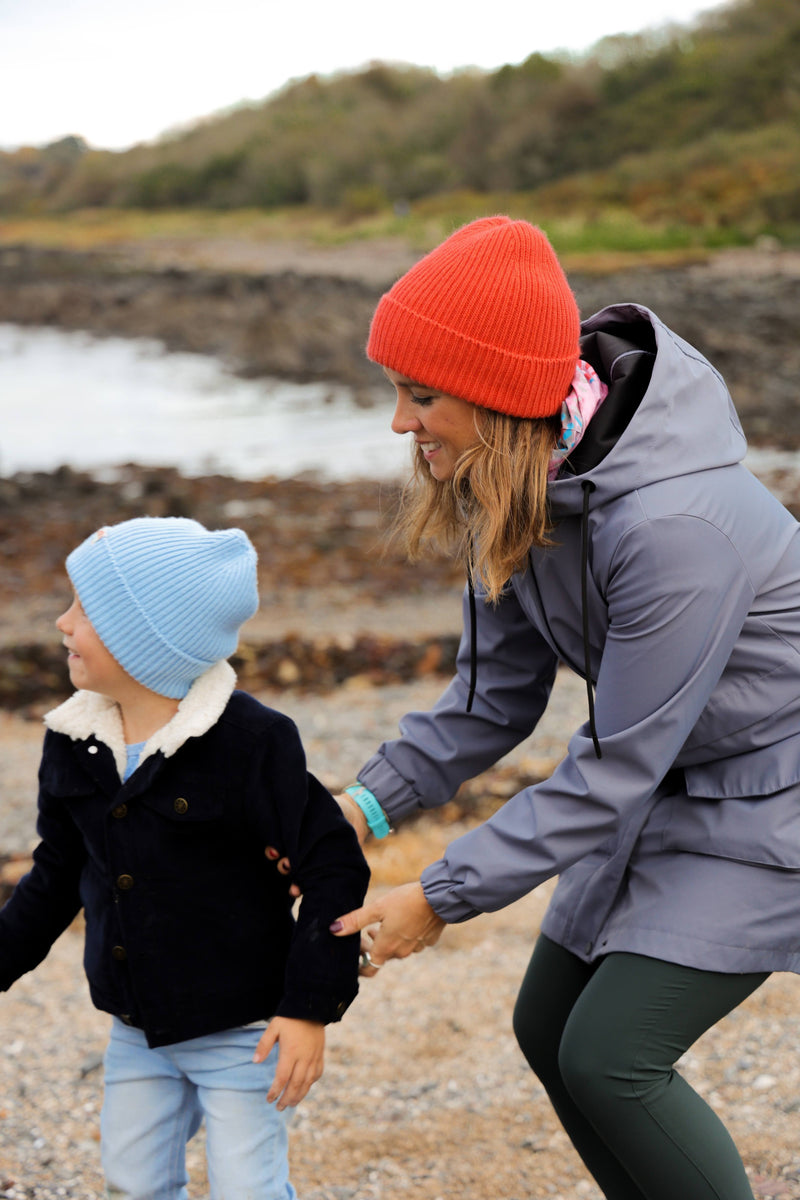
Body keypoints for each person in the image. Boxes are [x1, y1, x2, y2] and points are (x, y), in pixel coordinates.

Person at [325, 215, 800, 1200]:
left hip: (771, 791)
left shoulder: (674, 527)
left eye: (421, 397)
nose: (399, 426)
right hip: (658, 776)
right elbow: (486, 705)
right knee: (548, 1032)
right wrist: (353, 811)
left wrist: (437, 897)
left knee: (612, 1057)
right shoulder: (511, 487)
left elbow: (613, 765)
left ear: (498, 400)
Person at [0, 516, 369, 1200]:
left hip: (246, 1029)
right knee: (132, 1183)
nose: (60, 622)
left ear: (142, 641)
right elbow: (54, 875)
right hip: (134, 1026)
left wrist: (311, 1006)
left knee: (246, 1189)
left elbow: (333, 867)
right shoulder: (73, 741)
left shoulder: (253, 742)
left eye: (82, 609)